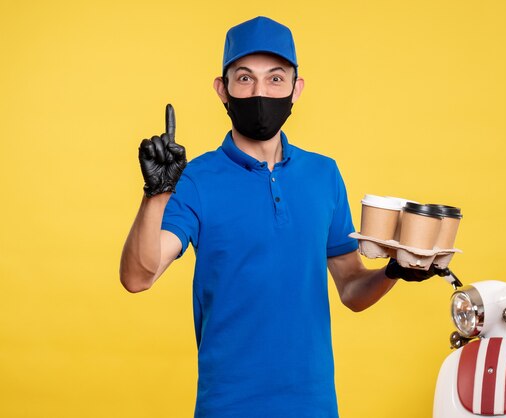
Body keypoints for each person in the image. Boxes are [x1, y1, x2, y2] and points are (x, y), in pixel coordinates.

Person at [120, 16, 434, 418]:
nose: (260, 91)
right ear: (223, 90)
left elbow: (352, 290)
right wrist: (156, 194)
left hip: (314, 404)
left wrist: (395, 271)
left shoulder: (324, 175)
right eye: (245, 78)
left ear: (295, 89)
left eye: (275, 78)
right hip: (227, 405)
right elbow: (138, 277)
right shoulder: (196, 178)